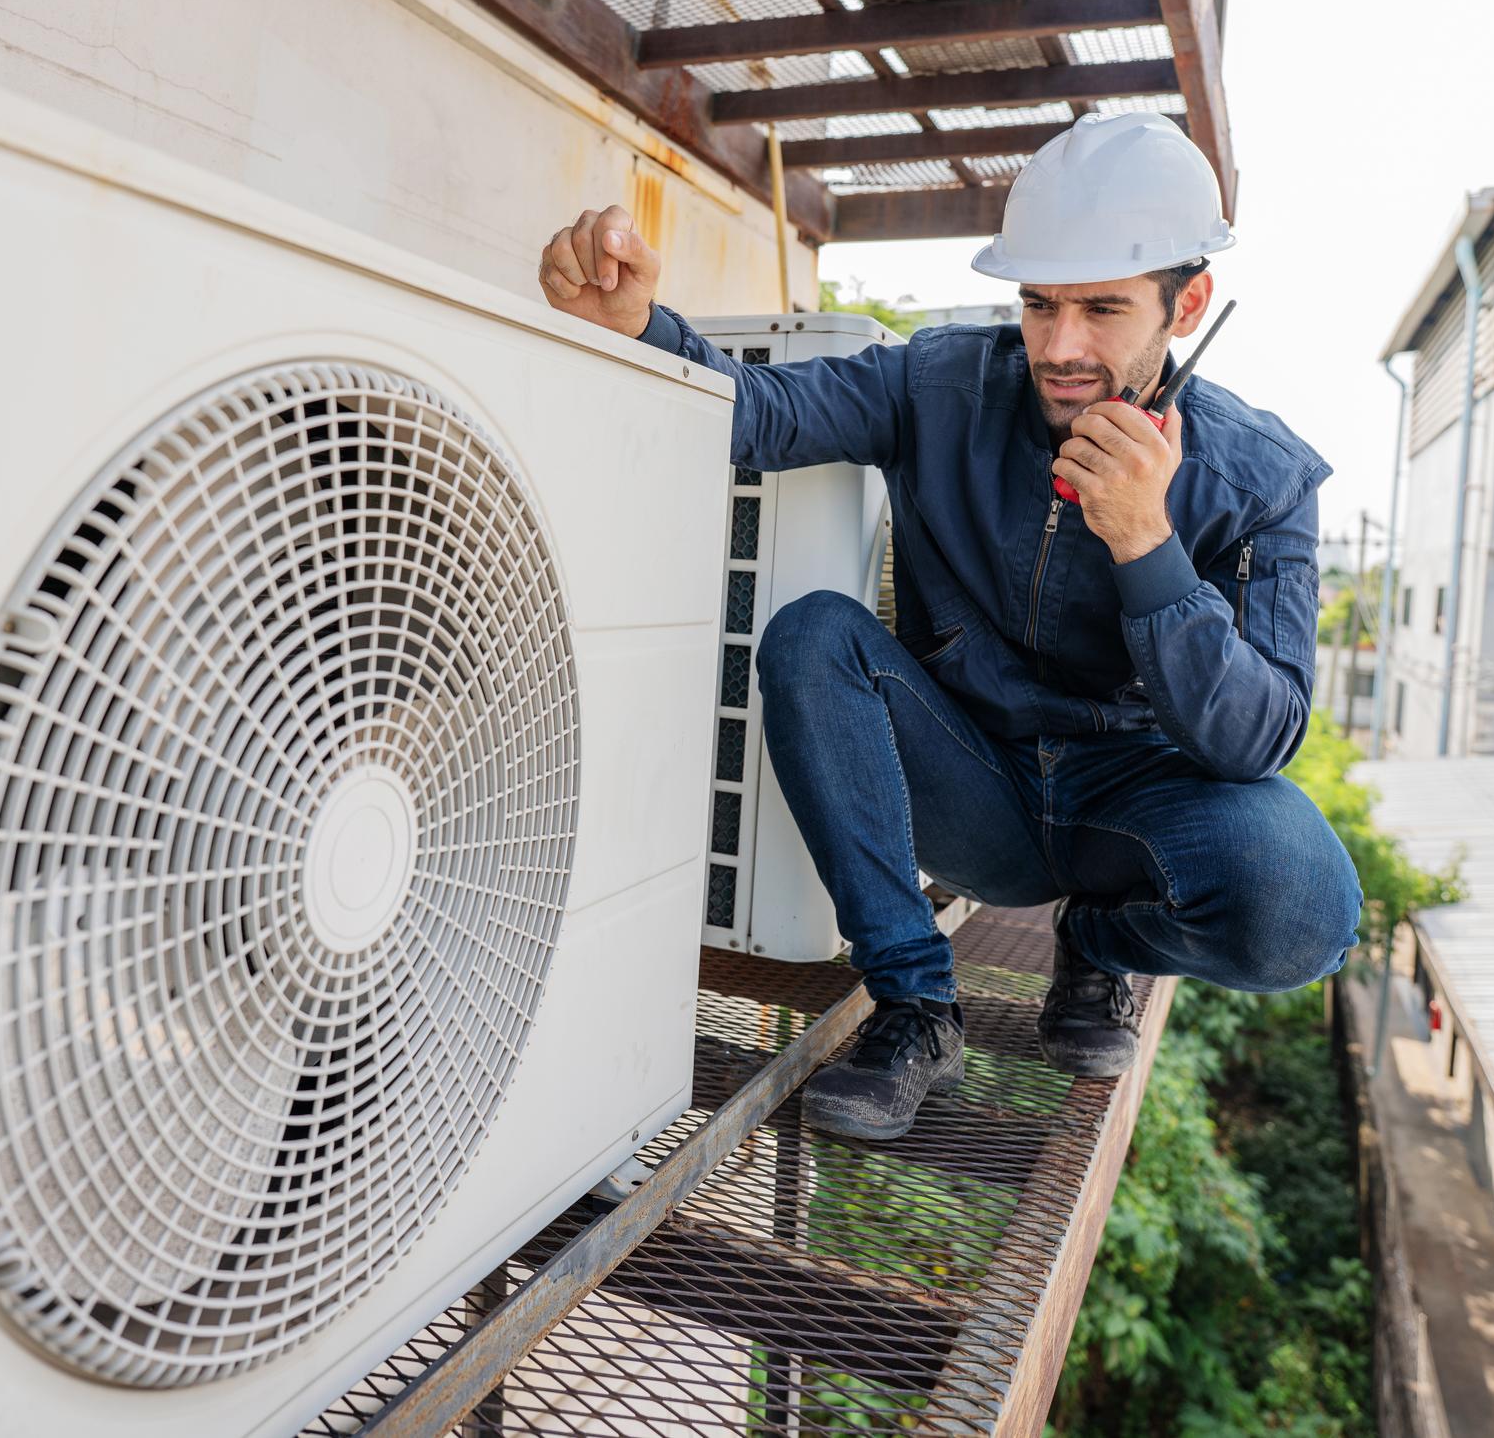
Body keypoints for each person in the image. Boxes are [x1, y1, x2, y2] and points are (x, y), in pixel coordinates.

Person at [535, 112, 1362, 1142]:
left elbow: (1259, 740)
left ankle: (1099, 943)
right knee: (811, 637)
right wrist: (639, 330)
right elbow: (752, 414)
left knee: (1307, 911)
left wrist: (1148, 549)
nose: (1059, 347)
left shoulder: (1265, 481)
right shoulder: (938, 384)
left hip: (1136, 812)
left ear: (1186, 304)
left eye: (1102, 310)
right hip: (978, 788)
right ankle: (916, 1008)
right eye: (1037, 304)